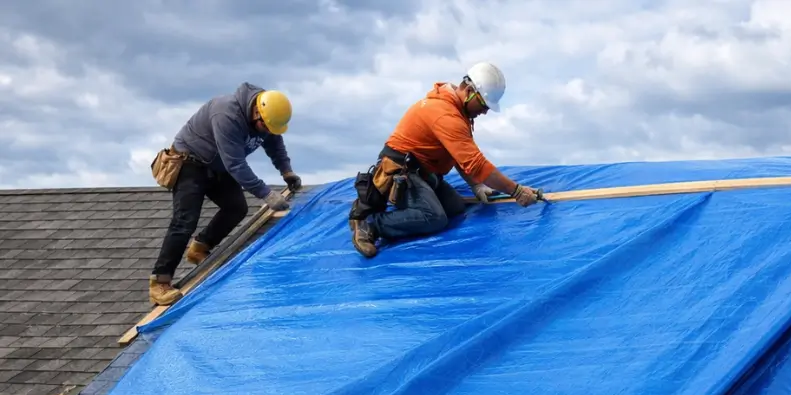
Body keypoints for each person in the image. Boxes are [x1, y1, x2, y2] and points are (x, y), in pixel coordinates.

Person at [347, 62, 543, 258]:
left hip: (423, 172)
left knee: (455, 208)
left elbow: (460, 156)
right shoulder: (444, 114)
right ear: (468, 91)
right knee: (434, 218)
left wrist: (476, 185)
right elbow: (475, 163)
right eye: (483, 105)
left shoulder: (457, 112)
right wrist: (516, 191)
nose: (484, 112)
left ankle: (410, 209)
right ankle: (370, 224)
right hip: (401, 172)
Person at [150, 82, 300, 305]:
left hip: (217, 165)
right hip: (190, 162)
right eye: (265, 127)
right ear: (257, 112)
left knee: (236, 207)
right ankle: (159, 283)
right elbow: (236, 165)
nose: (267, 132)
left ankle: (200, 247)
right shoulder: (226, 114)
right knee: (184, 221)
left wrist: (286, 171)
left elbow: (275, 145)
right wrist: (266, 194)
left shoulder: (268, 117)